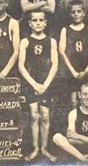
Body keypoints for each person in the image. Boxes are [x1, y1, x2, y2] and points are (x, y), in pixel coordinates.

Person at [18, 10, 58, 162]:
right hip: (31, 83)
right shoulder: (25, 41)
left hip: (46, 83)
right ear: (30, 23)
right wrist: (34, 84)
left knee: (45, 116)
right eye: (35, 20)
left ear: (46, 23)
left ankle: (44, 149)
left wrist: (45, 85)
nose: (38, 23)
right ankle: (35, 149)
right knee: (34, 116)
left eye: (41, 20)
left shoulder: (51, 41)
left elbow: (54, 64)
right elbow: (21, 66)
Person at [59, 0, 88, 109]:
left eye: (79, 11)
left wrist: (87, 70)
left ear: (84, 13)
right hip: (72, 70)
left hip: (86, 68)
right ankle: (74, 124)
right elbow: (62, 52)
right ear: (69, 14)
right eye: (73, 12)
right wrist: (73, 72)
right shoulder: (65, 30)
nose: (76, 14)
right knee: (74, 100)